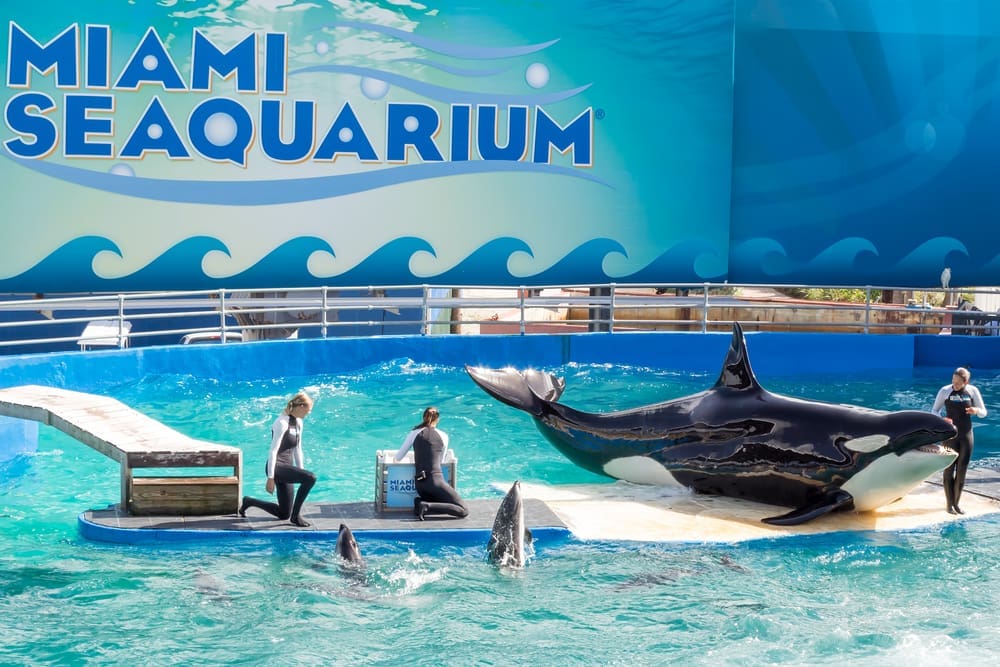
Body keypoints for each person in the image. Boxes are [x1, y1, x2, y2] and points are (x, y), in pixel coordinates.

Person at [239, 391, 317, 527]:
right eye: (308, 410)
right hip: (276, 467)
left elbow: (297, 449)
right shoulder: (281, 422)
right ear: (301, 406)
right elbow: (273, 450)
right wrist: (271, 477)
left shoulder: (298, 423)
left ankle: (249, 501)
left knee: (283, 513)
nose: (308, 413)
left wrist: (300, 472)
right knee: (311, 478)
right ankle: (295, 517)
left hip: (287, 467)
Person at [394, 407, 468, 520]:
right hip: (435, 482)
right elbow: (441, 461)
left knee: (441, 501)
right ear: (438, 419)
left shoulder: (414, 433)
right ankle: (426, 506)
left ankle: (419, 502)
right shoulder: (443, 436)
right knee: (463, 510)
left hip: (420, 485)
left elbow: (398, 457)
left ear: (423, 417)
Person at [931, 367, 987, 514]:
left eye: (957, 383)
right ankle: (949, 505)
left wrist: (976, 411)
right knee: (949, 469)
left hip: (966, 435)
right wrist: (942, 420)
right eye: (953, 381)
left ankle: (956, 504)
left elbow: (984, 412)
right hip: (950, 435)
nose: (954, 385)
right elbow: (934, 411)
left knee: (962, 470)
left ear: (966, 382)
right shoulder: (945, 391)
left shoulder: (973, 391)